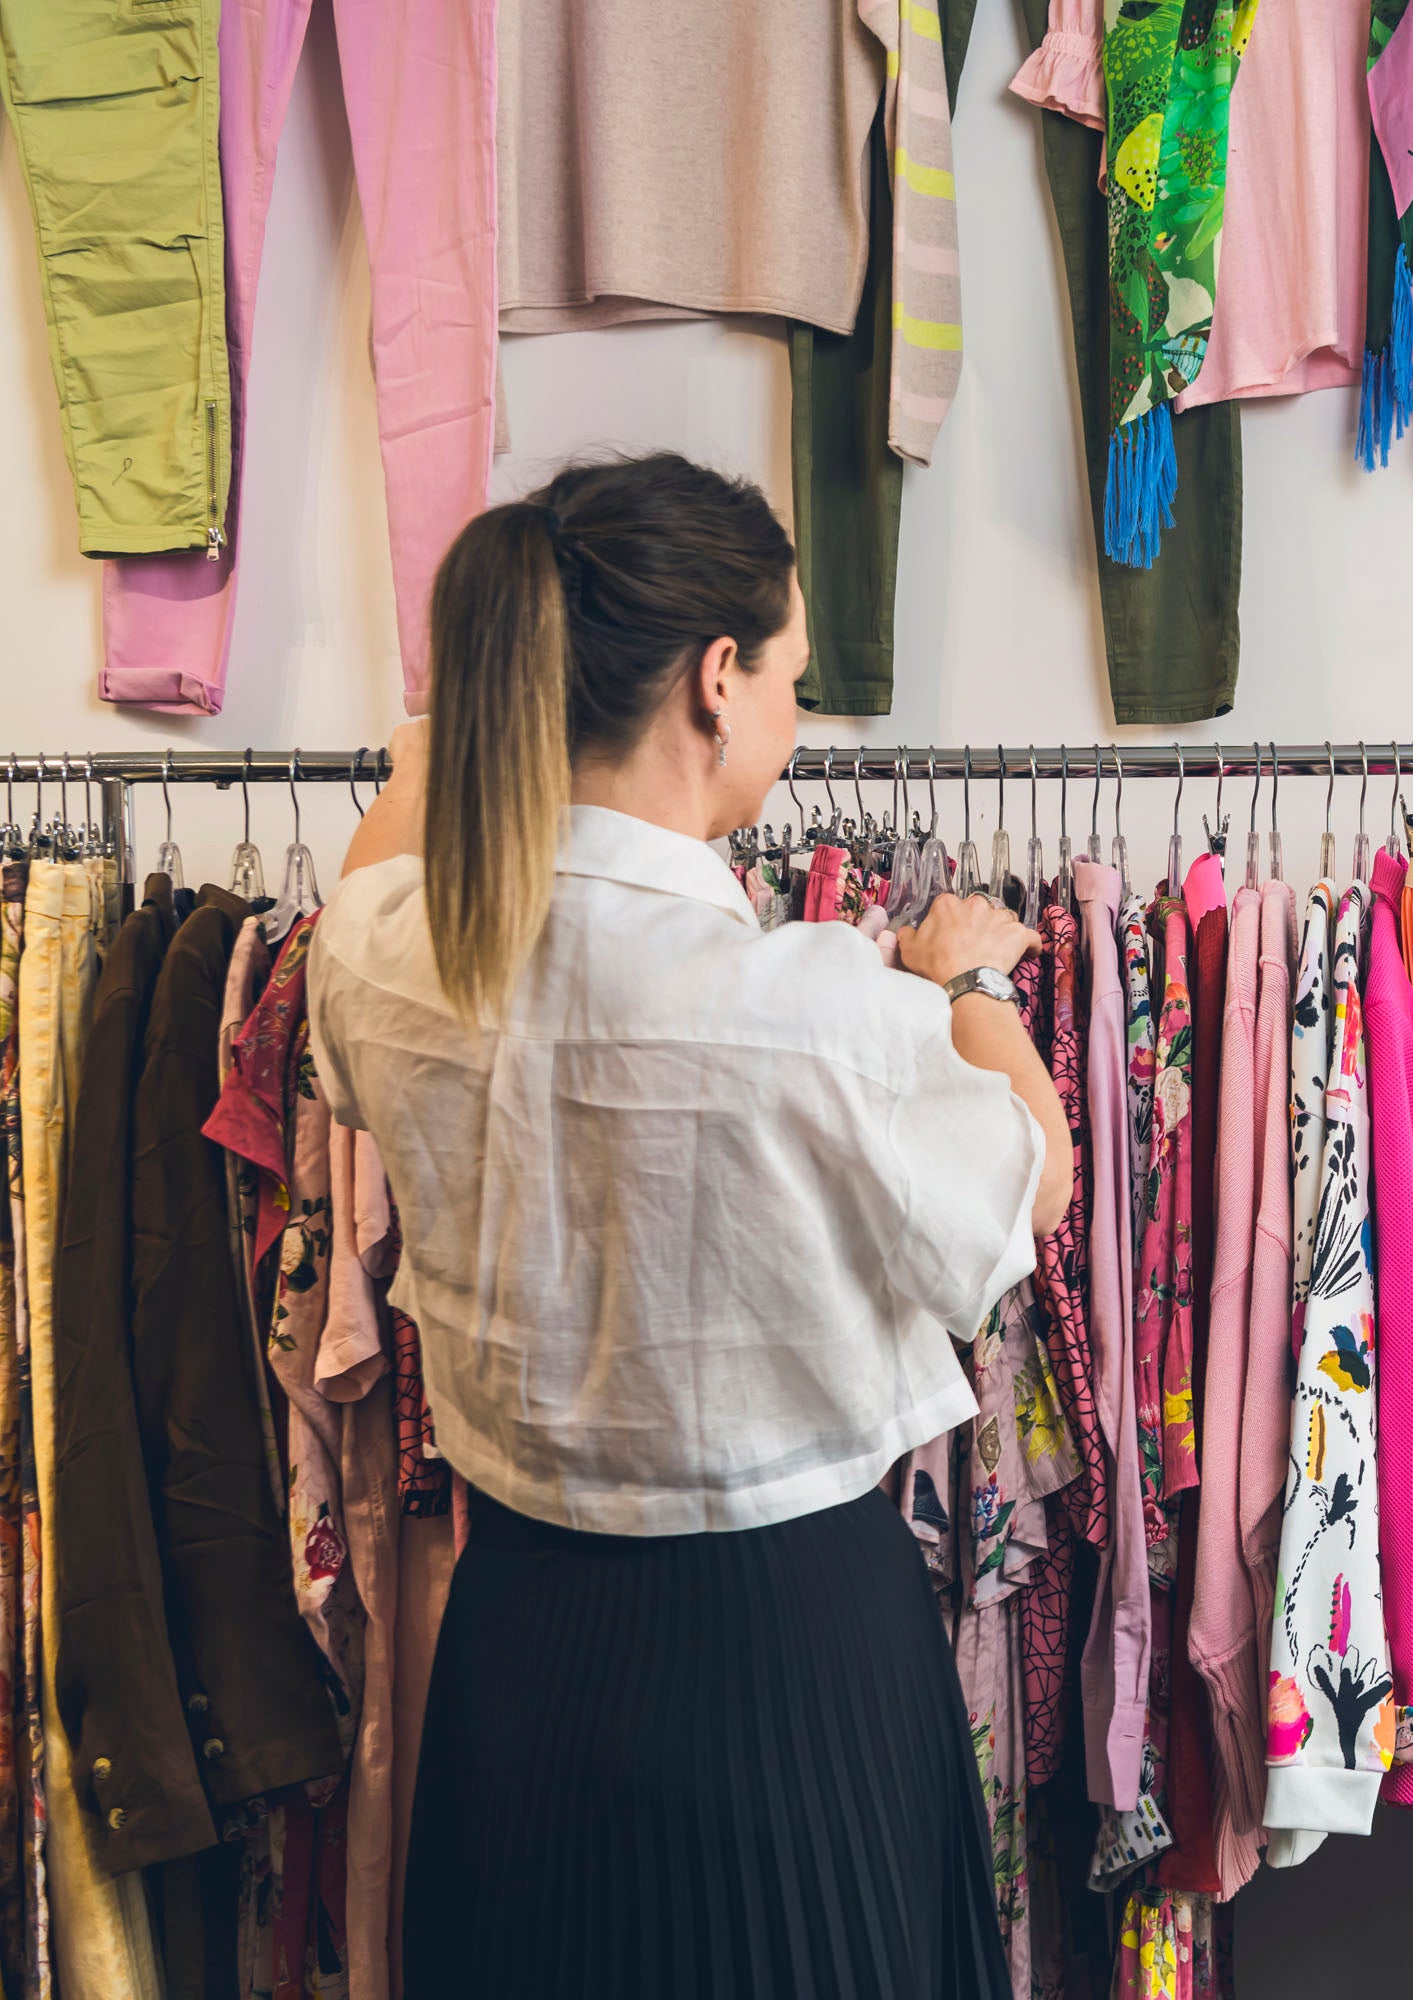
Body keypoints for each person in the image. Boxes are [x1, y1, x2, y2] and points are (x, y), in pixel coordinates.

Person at [312, 452, 1074, 1996]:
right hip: (785, 1662)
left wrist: (459, 723)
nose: (796, 718)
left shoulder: (388, 952)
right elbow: (1028, 1190)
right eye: (791, 675)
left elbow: (394, 835)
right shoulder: (812, 1007)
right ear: (715, 681)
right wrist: (967, 984)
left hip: (522, 1647)